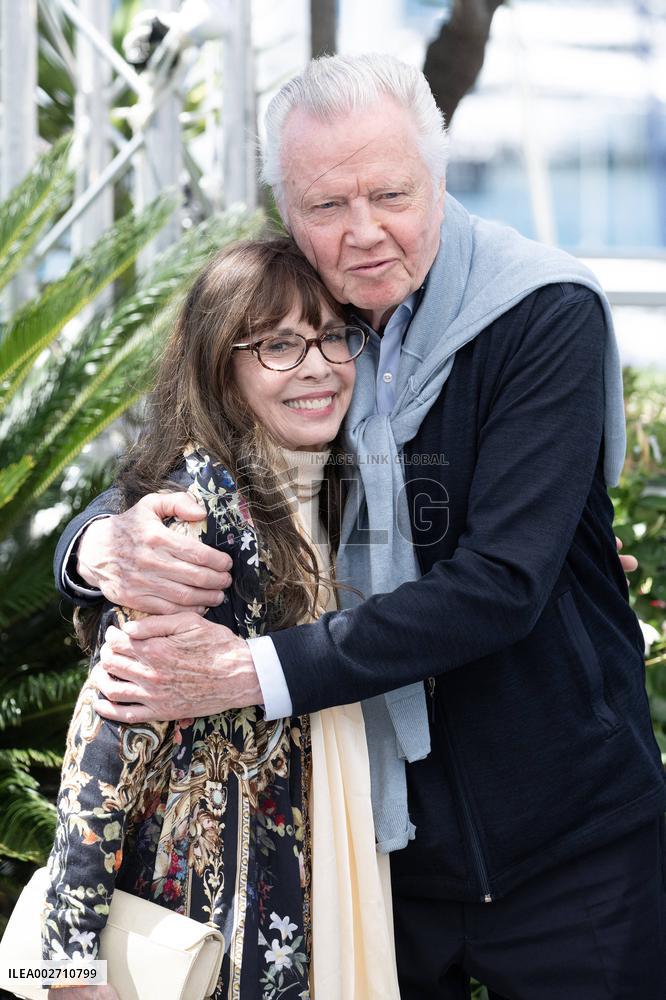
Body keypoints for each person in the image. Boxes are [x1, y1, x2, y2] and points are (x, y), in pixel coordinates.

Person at [55, 55, 666, 999]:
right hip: (366, 851)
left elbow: (503, 582)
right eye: (327, 205)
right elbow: (179, 454)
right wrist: (96, 546)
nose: (364, 233)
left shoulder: (538, 312)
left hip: (567, 842)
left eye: (390, 192)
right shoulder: (297, 308)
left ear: (441, 173)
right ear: (288, 210)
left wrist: (252, 673)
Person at [44, 238, 400, 1000]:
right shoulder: (190, 525)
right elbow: (100, 756)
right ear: (222, 370)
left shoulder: (337, 490)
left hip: (303, 898)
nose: (318, 366)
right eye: (277, 344)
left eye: (333, 336)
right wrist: (62, 972)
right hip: (208, 925)